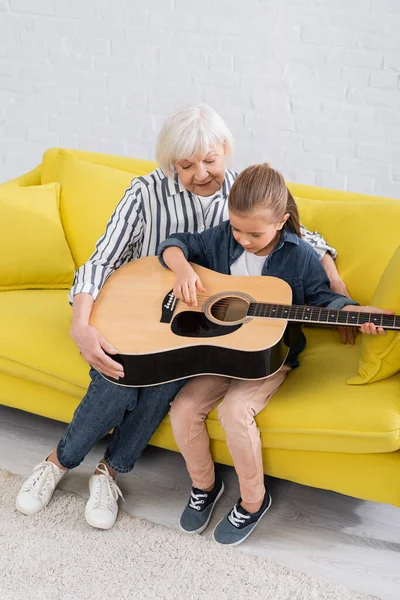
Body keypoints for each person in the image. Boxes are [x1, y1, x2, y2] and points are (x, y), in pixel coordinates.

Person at [16, 105, 348, 530]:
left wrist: (332, 276)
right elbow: (100, 262)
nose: (202, 174)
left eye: (210, 160)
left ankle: (109, 473)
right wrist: (81, 324)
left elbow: (295, 234)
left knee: (162, 388)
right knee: (118, 383)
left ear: (225, 151)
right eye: (186, 165)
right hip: (134, 310)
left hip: (190, 330)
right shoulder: (144, 194)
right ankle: (57, 463)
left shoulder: (239, 192)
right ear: (170, 163)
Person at [158, 162, 391, 546]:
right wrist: (182, 268)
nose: (243, 240)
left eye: (254, 232)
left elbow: (323, 300)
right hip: (218, 352)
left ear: (282, 221)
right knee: (183, 408)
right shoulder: (222, 239)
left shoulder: (299, 257)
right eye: (236, 228)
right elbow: (175, 244)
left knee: (235, 411)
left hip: (269, 357)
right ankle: (205, 485)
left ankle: (253, 500)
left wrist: (353, 313)